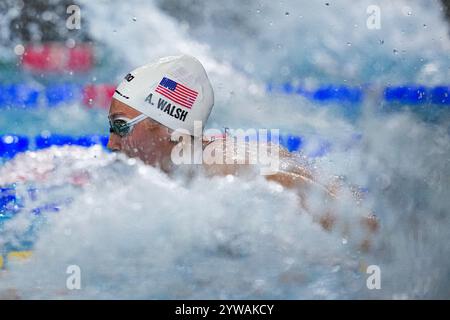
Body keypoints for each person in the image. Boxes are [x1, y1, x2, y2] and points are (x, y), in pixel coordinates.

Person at [107, 55, 378, 249]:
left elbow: (367, 230)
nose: (111, 143)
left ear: (165, 127)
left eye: (120, 126)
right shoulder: (209, 152)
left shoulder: (226, 169)